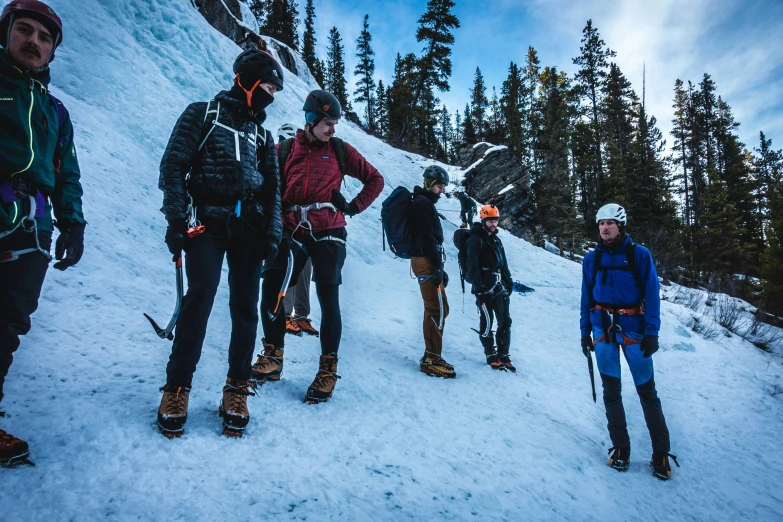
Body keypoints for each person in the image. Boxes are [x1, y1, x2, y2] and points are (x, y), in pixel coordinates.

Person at [156, 48, 283, 438]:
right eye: (267, 86)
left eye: (275, 91)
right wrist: (176, 219)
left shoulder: (262, 134)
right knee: (201, 296)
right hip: (206, 221)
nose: (270, 96)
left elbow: (273, 190)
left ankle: (236, 388)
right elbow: (173, 166)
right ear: (245, 78)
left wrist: (273, 233)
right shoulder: (203, 113)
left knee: (245, 306)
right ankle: (177, 387)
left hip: (249, 227)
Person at [253, 90, 383, 403]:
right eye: (327, 123)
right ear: (311, 120)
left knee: (328, 294)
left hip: (329, 230)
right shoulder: (284, 150)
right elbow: (260, 181)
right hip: (291, 230)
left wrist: (352, 207)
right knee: (272, 288)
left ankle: (327, 369)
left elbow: (374, 180)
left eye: (335, 123)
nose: (332, 129)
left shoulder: (339, 149)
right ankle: (273, 355)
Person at [0, 0, 85, 466]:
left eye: (44, 37)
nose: (33, 41)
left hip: (32, 226)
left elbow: (66, 171)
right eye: (25, 30)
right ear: (7, 33)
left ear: (52, 50)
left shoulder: (55, 111)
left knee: (8, 323)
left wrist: (73, 222)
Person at [580, 203, 677, 479]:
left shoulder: (639, 255)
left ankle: (661, 453)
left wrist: (652, 332)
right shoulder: (591, 259)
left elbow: (652, 294)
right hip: (602, 331)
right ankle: (621, 448)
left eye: (610, 223)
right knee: (611, 391)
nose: (605, 228)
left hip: (635, 331)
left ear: (621, 226)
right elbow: (586, 298)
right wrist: (584, 331)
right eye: (601, 224)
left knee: (647, 391)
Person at [409, 165, 455, 378]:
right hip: (425, 261)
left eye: (443, 186)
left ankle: (433, 354)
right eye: (438, 185)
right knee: (436, 308)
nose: (441, 190)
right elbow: (426, 237)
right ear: (428, 183)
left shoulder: (425, 203)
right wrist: (437, 266)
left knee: (440, 307)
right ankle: (430, 359)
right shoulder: (421, 204)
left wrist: (439, 266)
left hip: (429, 260)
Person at [275, 123, 318, 338]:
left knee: (305, 270)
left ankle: (301, 315)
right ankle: (285, 314)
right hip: (286, 224)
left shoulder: (305, 162)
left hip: (305, 225)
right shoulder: (275, 159)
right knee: (289, 268)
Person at [466, 205, 515, 372]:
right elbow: (473, 265)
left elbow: (504, 263)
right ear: (483, 221)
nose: (493, 224)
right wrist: (478, 287)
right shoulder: (475, 240)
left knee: (505, 321)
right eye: (490, 221)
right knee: (487, 322)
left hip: (499, 286)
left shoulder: (496, 240)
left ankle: (504, 353)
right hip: (484, 288)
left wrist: (508, 282)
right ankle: (490, 354)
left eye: (495, 220)